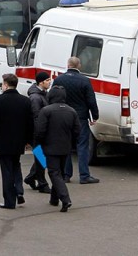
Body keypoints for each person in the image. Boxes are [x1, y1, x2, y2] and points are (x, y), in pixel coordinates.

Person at [0, 74, 34, 210]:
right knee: (15, 165)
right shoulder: (25, 101)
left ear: (5, 84)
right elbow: (30, 123)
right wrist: (29, 140)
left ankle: (9, 201)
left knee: (6, 170)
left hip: (3, 141)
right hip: (19, 141)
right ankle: (19, 190)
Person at [52, 56, 100, 184]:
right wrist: (94, 115)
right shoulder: (84, 81)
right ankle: (84, 175)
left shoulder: (59, 79)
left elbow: (52, 97)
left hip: (63, 116)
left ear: (68, 65)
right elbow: (91, 100)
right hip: (80, 117)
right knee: (82, 145)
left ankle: (66, 174)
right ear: (79, 66)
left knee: (66, 145)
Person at [35, 85, 81, 213]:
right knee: (59, 172)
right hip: (65, 147)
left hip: (50, 147)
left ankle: (65, 199)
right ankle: (54, 199)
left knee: (54, 172)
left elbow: (40, 130)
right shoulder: (71, 111)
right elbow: (77, 130)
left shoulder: (46, 110)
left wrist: (39, 143)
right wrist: (71, 142)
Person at [24, 71, 52, 193]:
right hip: (38, 132)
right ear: (41, 82)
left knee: (41, 157)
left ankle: (31, 177)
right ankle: (42, 183)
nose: (49, 82)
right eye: (47, 80)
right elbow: (36, 117)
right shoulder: (35, 97)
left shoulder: (42, 94)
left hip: (41, 131)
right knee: (41, 157)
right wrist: (40, 132)